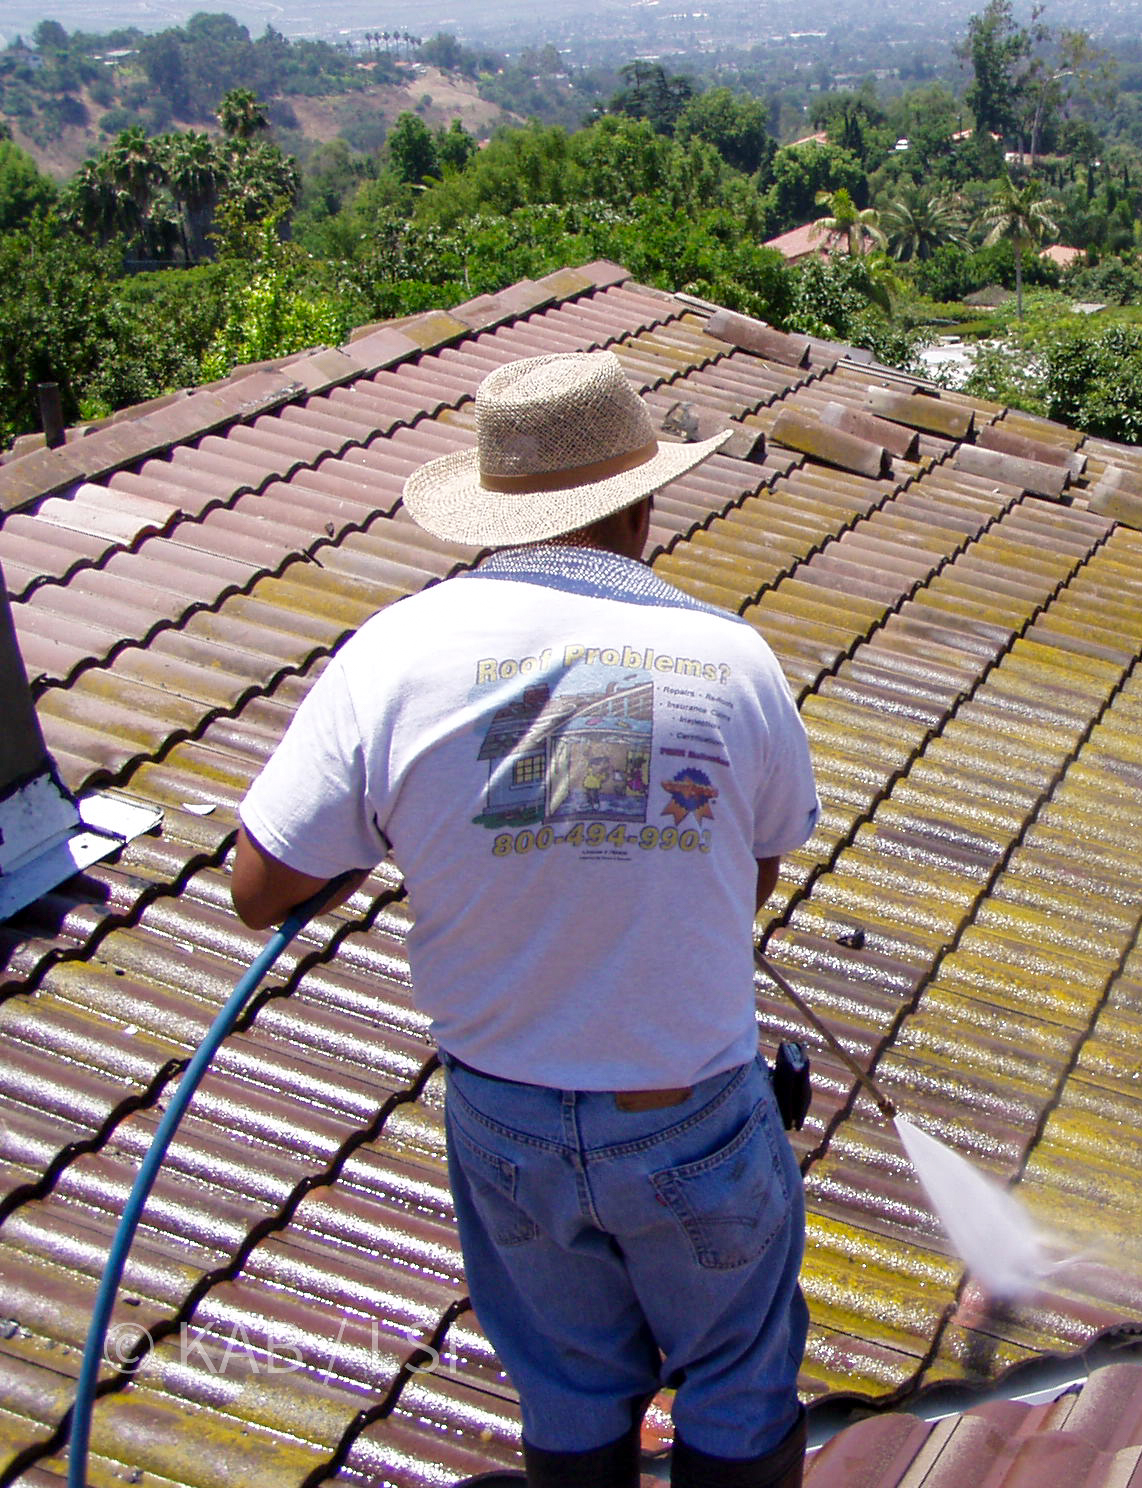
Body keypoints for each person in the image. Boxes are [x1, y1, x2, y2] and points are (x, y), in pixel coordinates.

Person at [232, 352, 821, 1488]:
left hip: (503, 1120)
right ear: (642, 504)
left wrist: (391, 837)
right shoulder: (731, 659)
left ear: (497, 512)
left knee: (568, 1395)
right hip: (687, 1112)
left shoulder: (390, 656)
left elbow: (264, 889)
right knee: (740, 1386)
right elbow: (744, 888)